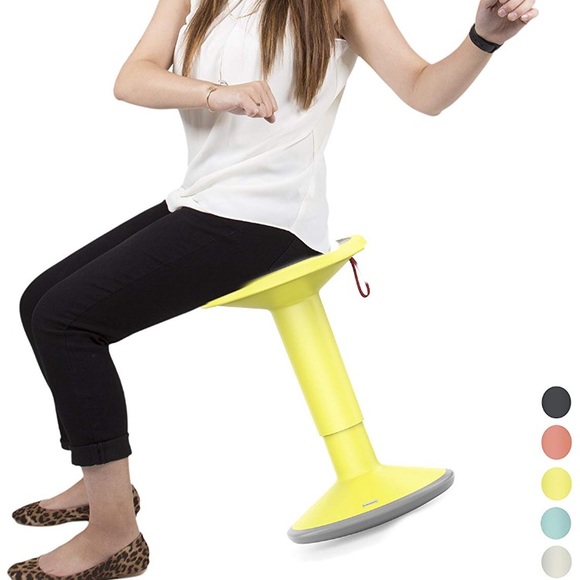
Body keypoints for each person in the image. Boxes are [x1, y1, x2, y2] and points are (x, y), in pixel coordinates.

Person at [8, 0, 538, 578]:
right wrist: (217, 94)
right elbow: (132, 79)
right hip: (203, 201)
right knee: (39, 302)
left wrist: (484, 39)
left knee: (66, 320)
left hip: (269, 220)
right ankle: (100, 483)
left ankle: (114, 531)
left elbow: (424, 90)